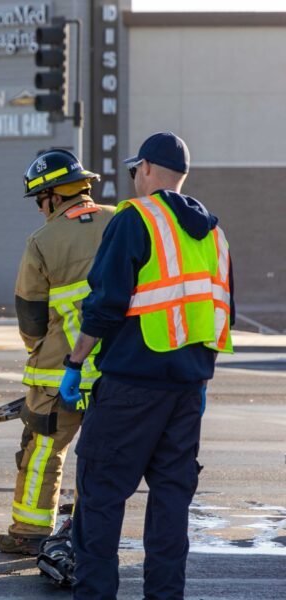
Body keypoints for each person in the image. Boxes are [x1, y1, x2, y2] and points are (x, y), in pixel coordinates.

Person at [60, 132, 233, 599]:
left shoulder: (136, 218)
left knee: (100, 496)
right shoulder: (213, 232)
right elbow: (218, 310)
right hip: (187, 389)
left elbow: (106, 302)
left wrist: (75, 362)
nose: (134, 176)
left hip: (131, 386)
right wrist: (195, 375)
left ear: (150, 170)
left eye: (136, 169)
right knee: (171, 502)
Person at [0, 150, 115, 555]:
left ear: (50, 196)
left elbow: (30, 316)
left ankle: (29, 533)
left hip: (59, 372)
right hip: (117, 370)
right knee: (102, 456)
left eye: (38, 200)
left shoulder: (42, 241)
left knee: (44, 450)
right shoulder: (121, 221)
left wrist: (41, 350)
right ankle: (90, 532)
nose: (38, 208)